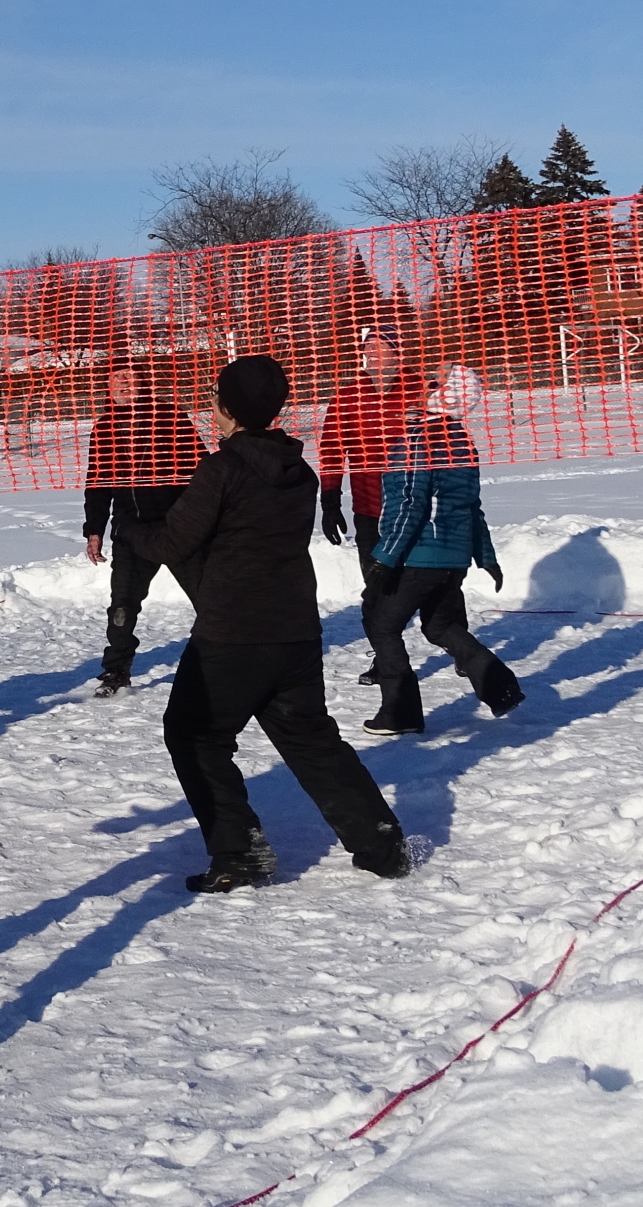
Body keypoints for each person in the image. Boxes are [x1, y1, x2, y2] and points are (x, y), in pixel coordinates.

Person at [113, 357, 411, 893]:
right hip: (294, 630)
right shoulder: (301, 471)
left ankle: (239, 851)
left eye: (216, 398)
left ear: (225, 409)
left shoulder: (222, 470)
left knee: (193, 734)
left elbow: (173, 544)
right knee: (311, 737)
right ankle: (380, 839)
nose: (211, 406)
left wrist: (131, 527)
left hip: (232, 634)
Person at [361, 364, 526, 735]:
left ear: (442, 395)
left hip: (420, 556)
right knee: (440, 626)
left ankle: (399, 713)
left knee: (382, 626)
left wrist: (385, 558)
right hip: (453, 559)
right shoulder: (463, 440)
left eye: (432, 383)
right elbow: (472, 507)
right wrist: (485, 557)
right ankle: (501, 688)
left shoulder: (420, 438)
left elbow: (410, 504)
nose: (420, 387)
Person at [82, 362, 208, 695]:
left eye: (131, 377)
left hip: (177, 527)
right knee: (121, 608)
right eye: (117, 378)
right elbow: (97, 483)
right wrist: (94, 530)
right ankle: (116, 672)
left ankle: (229, 660)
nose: (125, 383)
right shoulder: (104, 428)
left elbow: (204, 471)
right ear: (108, 387)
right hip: (131, 531)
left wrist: (202, 519)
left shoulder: (171, 418)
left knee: (211, 600)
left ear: (144, 383)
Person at [317, 325, 413, 683]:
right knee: (376, 590)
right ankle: (386, 660)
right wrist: (329, 500)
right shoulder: (348, 397)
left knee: (435, 585)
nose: (373, 354)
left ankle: (459, 645)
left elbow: (446, 443)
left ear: (397, 351)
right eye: (367, 348)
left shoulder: (419, 391)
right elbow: (330, 451)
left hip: (416, 509)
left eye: (380, 347)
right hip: (370, 512)